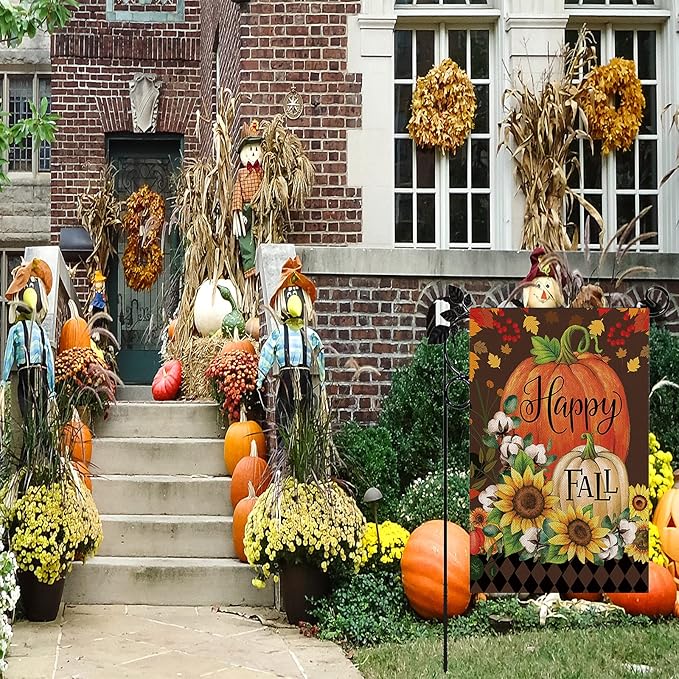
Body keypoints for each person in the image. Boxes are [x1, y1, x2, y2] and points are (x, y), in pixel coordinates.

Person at [256, 257, 325, 429]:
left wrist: (322, 379)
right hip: (285, 380)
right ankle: (284, 446)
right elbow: (266, 354)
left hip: (305, 378)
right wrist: (260, 378)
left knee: (306, 418)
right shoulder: (278, 334)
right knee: (283, 418)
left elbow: (320, 355)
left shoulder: (310, 334)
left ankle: (303, 444)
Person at [1, 259, 55, 421]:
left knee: (29, 407)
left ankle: (33, 433)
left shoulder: (19, 329)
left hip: (27, 371)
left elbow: (9, 355)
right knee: (38, 412)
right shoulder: (39, 331)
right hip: (39, 371)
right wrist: (52, 388)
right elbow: (49, 360)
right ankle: (36, 433)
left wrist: (4, 379)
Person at [231, 120, 264, 279]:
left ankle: (262, 264)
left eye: (255, 149)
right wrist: (237, 211)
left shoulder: (262, 172)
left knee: (261, 234)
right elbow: (237, 191)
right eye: (250, 150)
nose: (253, 153)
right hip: (246, 209)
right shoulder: (241, 173)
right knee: (245, 237)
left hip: (261, 206)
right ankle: (250, 266)